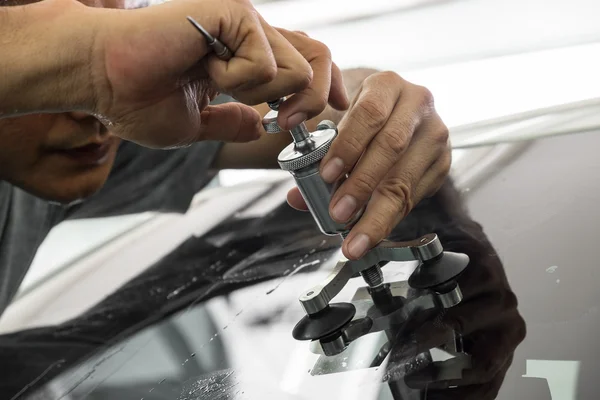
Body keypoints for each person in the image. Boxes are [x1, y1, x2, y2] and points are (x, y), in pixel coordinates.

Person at [0, 0, 451, 313]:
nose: (98, 113)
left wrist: (381, 107)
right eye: (58, 73)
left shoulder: (86, 145)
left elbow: (307, 112)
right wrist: (97, 59)